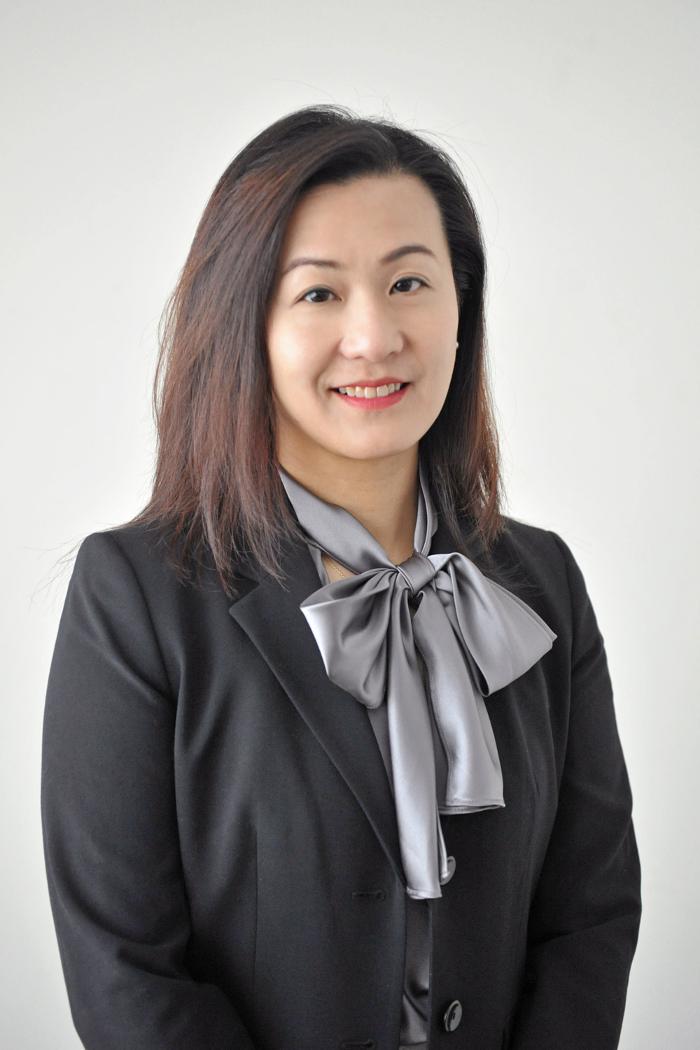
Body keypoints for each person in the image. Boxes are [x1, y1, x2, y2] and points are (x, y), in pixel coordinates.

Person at [41, 104, 642, 1050]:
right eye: (319, 293)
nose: (373, 335)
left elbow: (592, 916)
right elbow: (127, 971)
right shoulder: (136, 596)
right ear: (245, 322)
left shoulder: (543, 583)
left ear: (461, 309)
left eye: (409, 282)